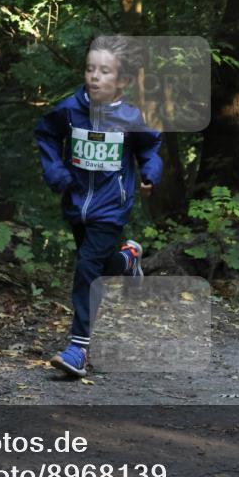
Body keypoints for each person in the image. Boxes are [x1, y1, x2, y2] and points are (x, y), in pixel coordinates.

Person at [35, 35, 163, 377]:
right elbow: (45, 134)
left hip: (111, 207)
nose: (94, 76)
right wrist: (56, 173)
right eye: (90, 68)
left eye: (104, 71)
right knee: (97, 265)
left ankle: (78, 348)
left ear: (121, 81)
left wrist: (151, 172)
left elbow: (150, 148)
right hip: (76, 202)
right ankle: (127, 259)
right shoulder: (69, 109)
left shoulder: (131, 118)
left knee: (86, 269)